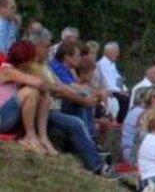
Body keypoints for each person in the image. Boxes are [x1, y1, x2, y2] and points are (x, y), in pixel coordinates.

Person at [25, 26, 106, 174]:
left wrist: (86, 94)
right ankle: (97, 165)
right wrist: (83, 97)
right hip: (46, 111)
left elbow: (61, 86)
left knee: (82, 99)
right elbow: (56, 89)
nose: (49, 50)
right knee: (77, 120)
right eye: (46, 46)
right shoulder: (31, 66)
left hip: (54, 106)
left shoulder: (44, 65)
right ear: (35, 46)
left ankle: (92, 147)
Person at [0, 40, 56, 155]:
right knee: (31, 92)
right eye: (32, 59)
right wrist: (36, 72)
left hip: (4, 117)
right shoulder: (7, 71)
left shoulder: (16, 71)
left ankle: (43, 136)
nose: (34, 61)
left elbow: (46, 88)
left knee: (45, 96)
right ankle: (30, 135)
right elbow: (40, 84)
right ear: (25, 61)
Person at [97, 41, 129, 122]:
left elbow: (118, 78)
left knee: (128, 94)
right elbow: (107, 82)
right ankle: (120, 122)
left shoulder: (112, 64)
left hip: (115, 90)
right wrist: (121, 91)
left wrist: (124, 89)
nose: (117, 55)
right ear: (108, 52)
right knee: (124, 98)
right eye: (116, 52)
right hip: (108, 91)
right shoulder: (102, 64)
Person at [123, 86, 155, 164]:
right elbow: (141, 138)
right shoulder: (141, 112)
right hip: (134, 153)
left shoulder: (134, 110)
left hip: (129, 151)